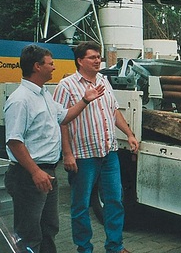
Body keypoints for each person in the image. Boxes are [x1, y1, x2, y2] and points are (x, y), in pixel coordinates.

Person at [4, 44, 105, 253]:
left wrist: (86, 99)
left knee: (49, 228)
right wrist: (35, 172)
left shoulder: (44, 95)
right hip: (29, 175)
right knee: (29, 233)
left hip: (47, 172)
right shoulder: (20, 100)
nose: (54, 67)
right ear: (37, 66)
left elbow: (65, 116)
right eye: (50, 64)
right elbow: (14, 141)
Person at [53, 41, 139, 253]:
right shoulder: (66, 86)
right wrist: (67, 153)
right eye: (92, 57)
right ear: (80, 61)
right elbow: (61, 121)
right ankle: (84, 248)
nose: (97, 60)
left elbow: (113, 110)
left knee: (115, 201)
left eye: (98, 56)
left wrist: (129, 134)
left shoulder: (103, 80)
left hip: (108, 153)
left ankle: (115, 247)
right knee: (81, 206)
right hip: (83, 156)